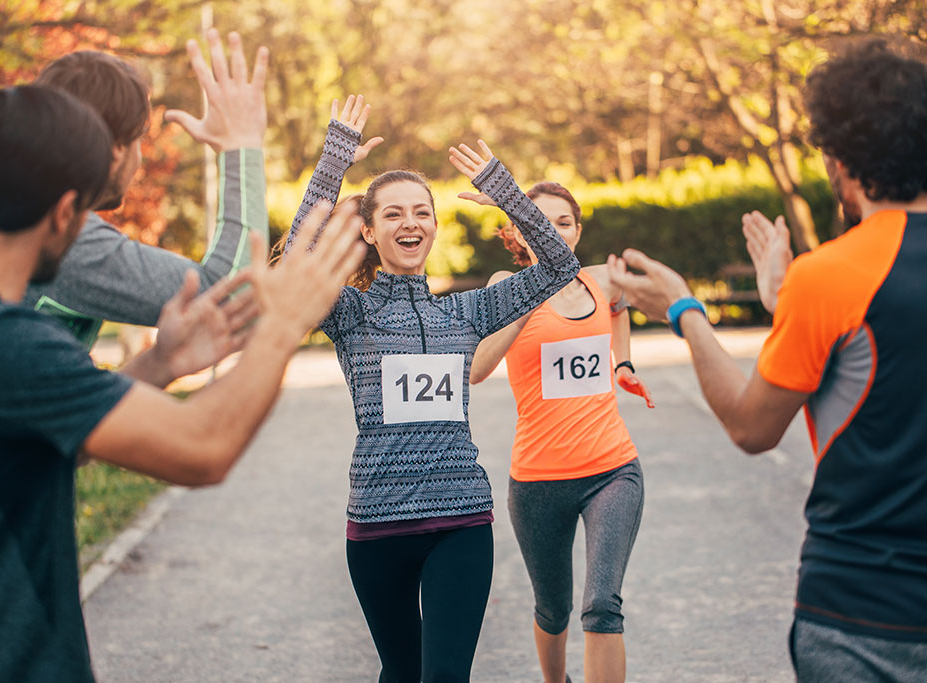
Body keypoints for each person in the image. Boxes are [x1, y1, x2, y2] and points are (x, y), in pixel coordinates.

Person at [0, 47, 366, 683]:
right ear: (67, 214)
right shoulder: (4, 343)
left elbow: (21, 439)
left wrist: (159, 364)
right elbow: (202, 448)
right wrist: (283, 326)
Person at [607, 38, 927, 682]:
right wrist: (787, 304)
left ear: (839, 160)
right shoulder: (816, 286)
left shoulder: (830, 276)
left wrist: (681, 309)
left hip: (860, 615)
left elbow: (753, 427)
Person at [279, 96, 580, 682]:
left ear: (436, 227)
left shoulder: (466, 314)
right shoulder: (351, 315)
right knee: (401, 671)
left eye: (421, 212)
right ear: (368, 229)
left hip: (462, 519)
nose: (410, 223)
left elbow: (559, 265)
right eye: (392, 214)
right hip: (377, 522)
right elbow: (297, 263)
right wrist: (333, 162)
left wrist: (507, 196)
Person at [0, 28, 267, 348]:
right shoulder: (61, 239)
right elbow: (231, 301)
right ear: (115, 150)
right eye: (140, 138)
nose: (140, 158)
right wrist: (241, 147)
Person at [463, 180, 651, 683]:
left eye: (563, 222)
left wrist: (623, 362)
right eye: (539, 223)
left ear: (577, 230)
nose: (553, 231)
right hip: (538, 481)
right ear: (520, 234)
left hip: (613, 470)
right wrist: (530, 295)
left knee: (602, 606)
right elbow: (478, 368)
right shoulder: (506, 283)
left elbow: (617, 308)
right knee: (553, 609)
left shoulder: (597, 280)